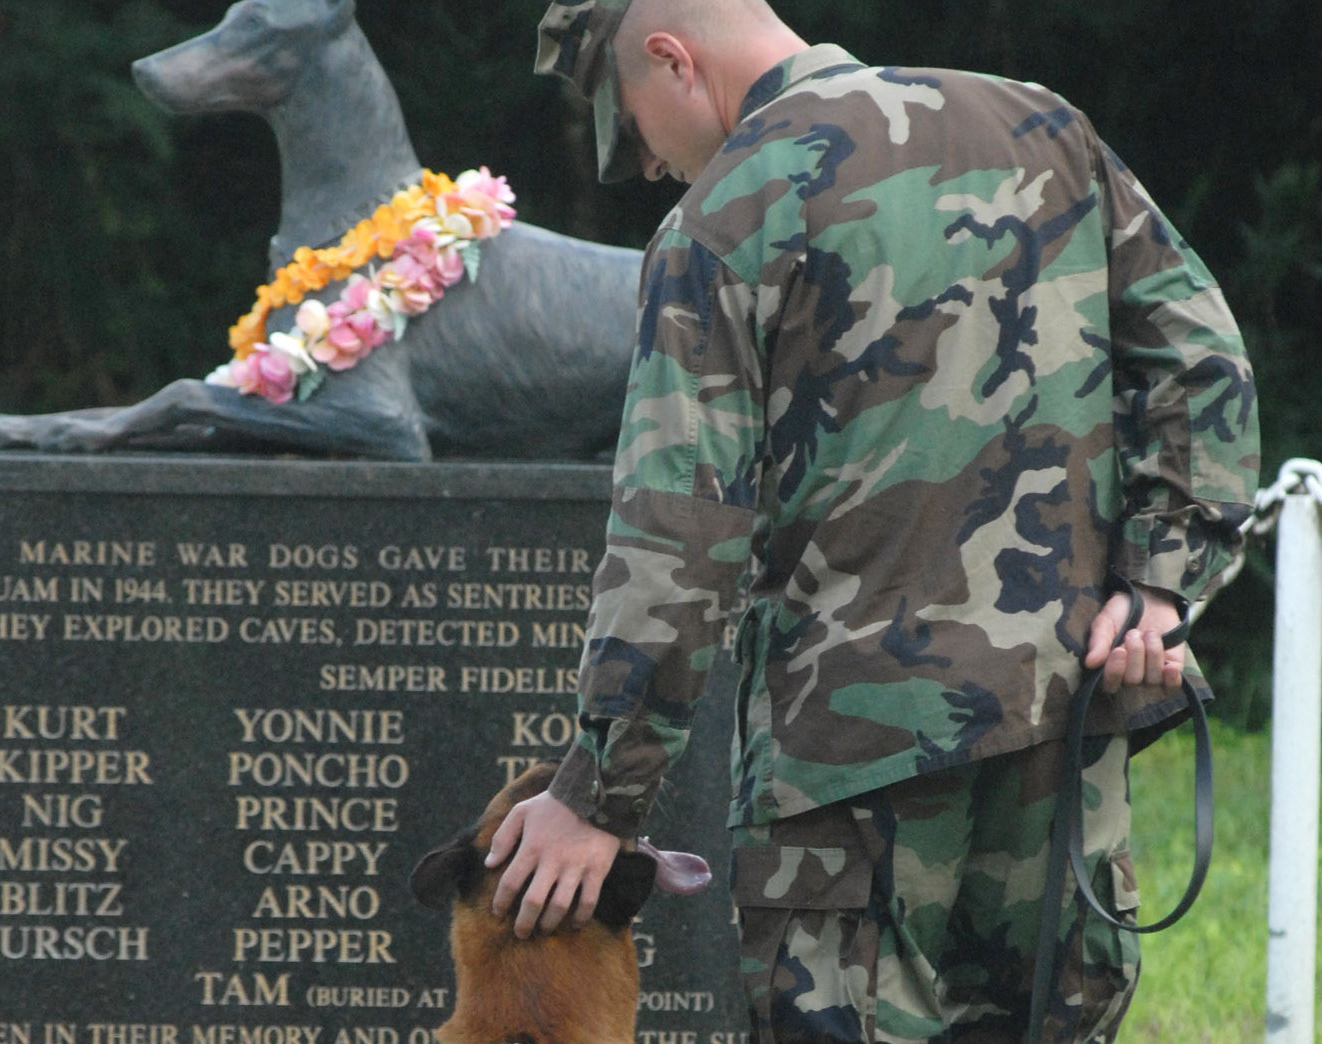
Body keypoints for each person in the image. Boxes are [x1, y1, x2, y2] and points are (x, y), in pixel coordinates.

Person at [488, 0, 1260, 1040]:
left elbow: (680, 530)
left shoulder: (722, 216)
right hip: (1061, 731)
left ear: (672, 61)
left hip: (846, 771)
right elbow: (1202, 361)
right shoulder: (1041, 125)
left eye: (632, 128)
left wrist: (597, 794)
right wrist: (1161, 585)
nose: (653, 167)